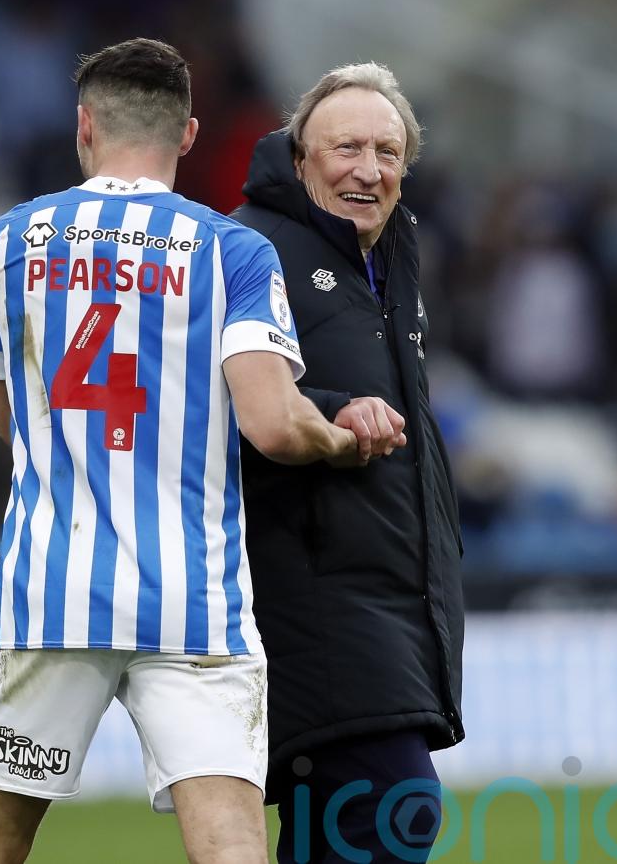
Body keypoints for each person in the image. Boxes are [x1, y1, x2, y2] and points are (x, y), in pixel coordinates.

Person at [0, 38, 361, 864]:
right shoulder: (232, 251)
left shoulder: (8, 241)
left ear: (83, 126)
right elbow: (273, 425)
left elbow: (10, 421)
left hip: (49, 595)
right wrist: (341, 439)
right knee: (228, 847)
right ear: (191, 134)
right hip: (189, 602)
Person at [232, 63, 465, 863]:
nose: (371, 170)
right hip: (310, 585)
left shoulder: (394, 250)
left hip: (389, 584)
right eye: (349, 148)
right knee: (394, 808)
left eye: (390, 152)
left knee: (335, 825)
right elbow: (207, 407)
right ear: (300, 160)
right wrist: (331, 409)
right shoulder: (249, 249)